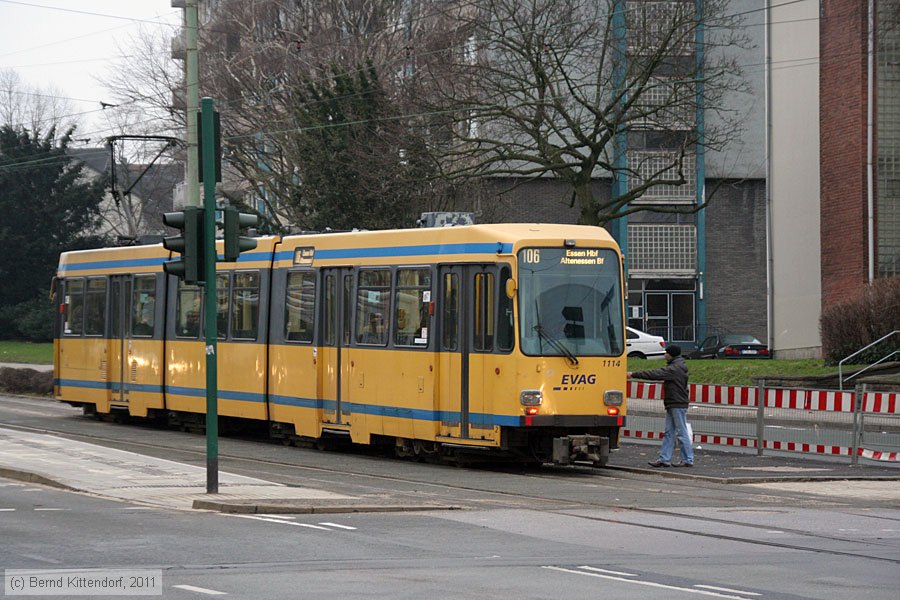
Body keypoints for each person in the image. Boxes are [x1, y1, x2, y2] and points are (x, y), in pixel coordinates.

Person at [627, 344, 694, 467]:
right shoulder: (678, 366)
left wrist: (633, 374)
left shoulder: (674, 369)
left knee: (681, 431)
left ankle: (687, 459)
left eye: (666, 353)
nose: (664, 355)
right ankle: (665, 459)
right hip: (674, 403)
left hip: (676, 403)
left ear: (671, 354)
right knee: (670, 432)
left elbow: (655, 374)